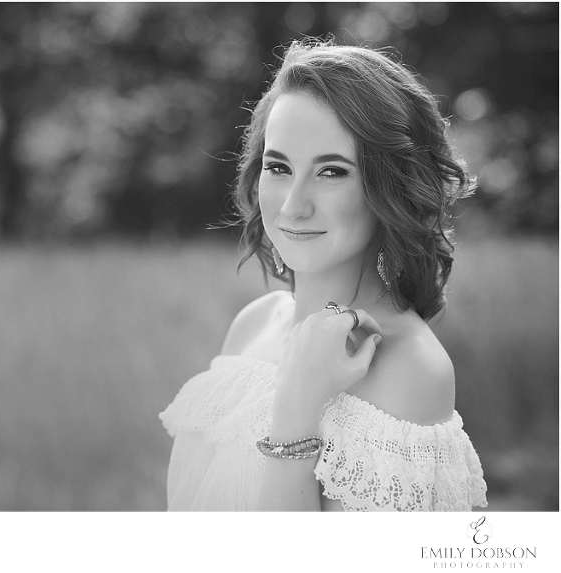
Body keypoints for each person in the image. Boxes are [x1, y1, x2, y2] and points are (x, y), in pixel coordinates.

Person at [159, 39, 488, 511]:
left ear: (388, 187)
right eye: (278, 167)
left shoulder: (409, 369)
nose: (293, 205)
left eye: (332, 171)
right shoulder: (254, 322)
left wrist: (298, 406)